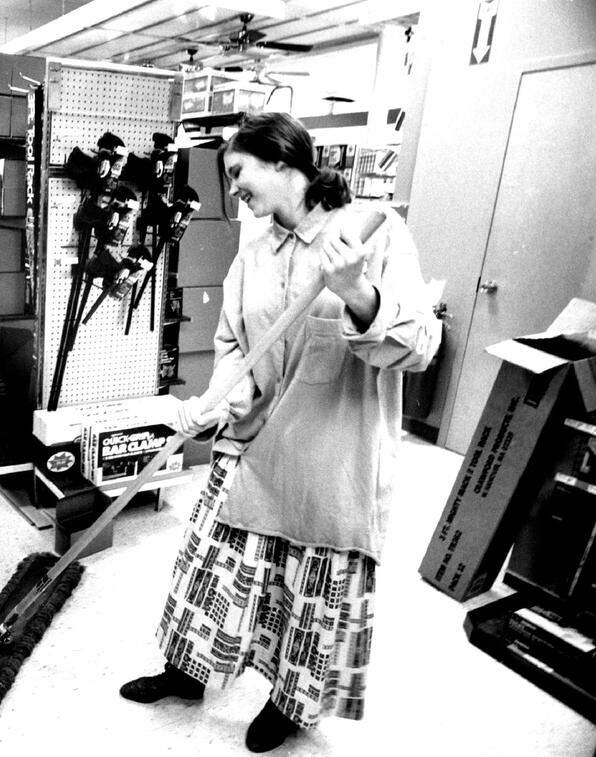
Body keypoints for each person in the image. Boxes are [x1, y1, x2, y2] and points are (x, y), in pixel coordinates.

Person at [120, 112, 441, 753]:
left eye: (238, 172)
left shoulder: (370, 233)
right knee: (209, 568)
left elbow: (420, 346)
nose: (232, 189)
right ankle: (187, 671)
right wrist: (215, 402)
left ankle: (291, 704)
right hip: (254, 439)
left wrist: (358, 295)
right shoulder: (254, 250)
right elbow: (237, 345)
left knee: (309, 587)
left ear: (283, 161)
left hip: (331, 452)